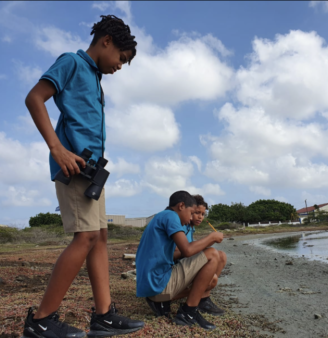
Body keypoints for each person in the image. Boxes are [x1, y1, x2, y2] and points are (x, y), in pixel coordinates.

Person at [22, 15, 144, 338]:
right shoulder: (72, 63)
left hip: (93, 172)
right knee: (85, 237)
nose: (120, 66)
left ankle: (103, 315)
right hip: (73, 167)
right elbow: (34, 98)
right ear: (106, 41)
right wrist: (57, 149)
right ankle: (41, 320)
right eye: (121, 58)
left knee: (100, 236)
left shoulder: (95, 78)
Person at [135, 191, 224, 330]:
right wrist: (212, 237)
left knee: (214, 261)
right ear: (181, 206)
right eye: (191, 212)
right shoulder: (171, 216)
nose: (190, 219)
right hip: (158, 287)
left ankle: (190, 304)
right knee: (212, 254)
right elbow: (186, 250)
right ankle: (188, 312)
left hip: (151, 286)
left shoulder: (161, 216)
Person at [174, 194, 227, 316]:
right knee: (212, 278)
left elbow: (191, 247)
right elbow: (181, 251)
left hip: (185, 262)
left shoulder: (191, 228)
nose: (200, 217)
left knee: (222, 255)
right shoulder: (181, 226)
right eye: (197, 212)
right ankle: (198, 297)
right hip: (178, 266)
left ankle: (203, 298)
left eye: (203, 214)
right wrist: (207, 241)